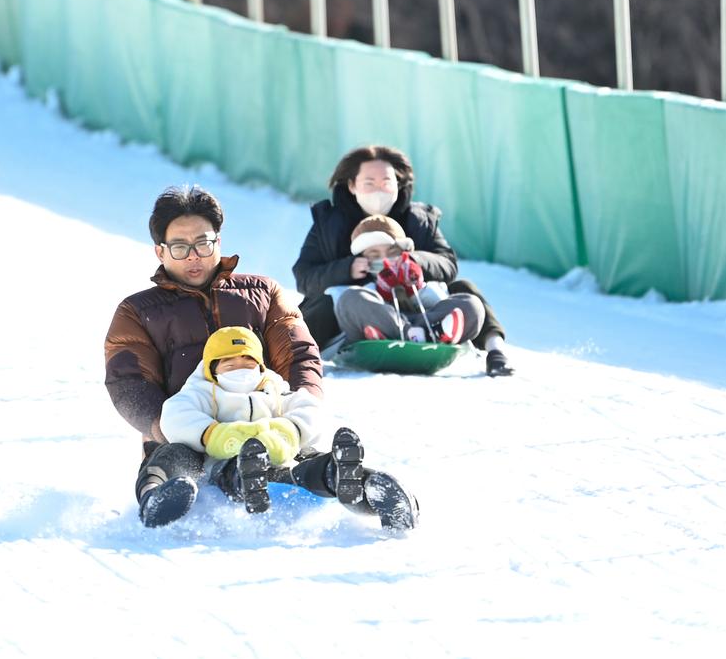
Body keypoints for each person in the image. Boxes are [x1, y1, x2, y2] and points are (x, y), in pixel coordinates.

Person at [104, 185, 416, 530]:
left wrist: (299, 415)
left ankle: (369, 488)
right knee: (170, 459)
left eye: (203, 243)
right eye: (179, 247)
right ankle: (160, 497)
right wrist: (163, 427)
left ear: (218, 242)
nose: (193, 255)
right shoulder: (137, 311)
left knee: (304, 459)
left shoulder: (262, 293)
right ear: (160, 251)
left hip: (268, 424)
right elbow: (128, 382)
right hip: (188, 435)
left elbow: (299, 354)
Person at [293, 144, 515, 377]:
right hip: (361, 314)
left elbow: (448, 264)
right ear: (352, 185)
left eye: (386, 182)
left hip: (418, 306)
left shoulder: (419, 220)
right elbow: (304, 277)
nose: (379, 189)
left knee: (467, 293)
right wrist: (347, 269)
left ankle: (493, 351)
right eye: (369, 183)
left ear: (398, 184)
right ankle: (297, 357)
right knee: (334, 300)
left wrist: (415, 262)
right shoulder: (330, 224)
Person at [334, 215, 486, 347]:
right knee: (350, 298)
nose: (385, 259)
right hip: (385, 322)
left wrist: (416, 288)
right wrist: (382, 291)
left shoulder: (416, 273)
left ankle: (431, 333)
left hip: (425, 321)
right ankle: (403, 334)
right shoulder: (363, 285)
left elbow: (441, 300)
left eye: (392, 252)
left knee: (472, 304)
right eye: (375, 255)